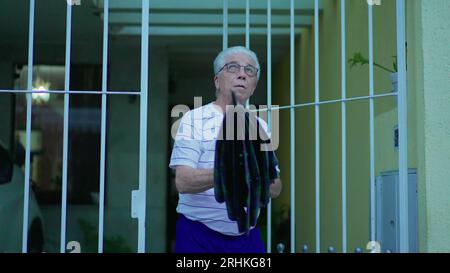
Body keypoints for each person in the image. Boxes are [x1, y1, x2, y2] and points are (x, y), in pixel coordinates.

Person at [169, 46, 282, 253]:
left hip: (247, 237)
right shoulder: (194, 119)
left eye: (250, 70)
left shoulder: (261, 127)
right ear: (217, 81)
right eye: (233, 67)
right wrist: (231, 173)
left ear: (254, 85)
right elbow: (183, 181)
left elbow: (275, 188)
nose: (242, 74)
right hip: (198, 235)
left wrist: (256, 175)